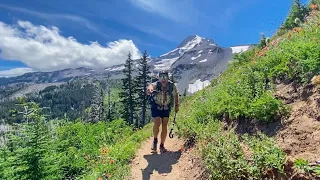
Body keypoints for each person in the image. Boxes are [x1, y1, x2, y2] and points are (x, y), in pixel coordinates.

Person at [146, 70, 179, 153]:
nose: (163, 79)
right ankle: (155, 140)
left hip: (166, 107)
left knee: (164, 125)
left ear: (168, 77)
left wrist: (176, 105)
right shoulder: (156, 84)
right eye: (161, 77)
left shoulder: (171, 85)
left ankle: (162, 145)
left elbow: (176, 95)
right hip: (156, 106)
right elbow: (150, 87)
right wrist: (149, 90)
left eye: (165, 77)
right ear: (159, 78)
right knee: (157, 123)